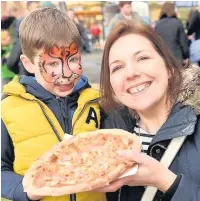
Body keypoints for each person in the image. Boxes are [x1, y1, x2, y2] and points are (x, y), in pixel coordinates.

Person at [1, 7, 107, 201]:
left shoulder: (95, 102)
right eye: (52, 64)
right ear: (29, 64)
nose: (66, 73)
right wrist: (27, 191)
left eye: (73, 59)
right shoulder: (7, 110)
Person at [97, 20, 200, 201]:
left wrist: (167, 182)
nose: (131, 73)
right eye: (118, 67)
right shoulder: (106, 135)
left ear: (168, 68)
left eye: (142, 58)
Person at [5, 1, 40, 76]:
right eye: (36, 7)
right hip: (27, 66)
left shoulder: (43, 22)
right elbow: (19, 43)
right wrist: (11, 63)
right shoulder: (22, 22)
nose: (39, 9)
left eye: (39, 7)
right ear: (29, 8)